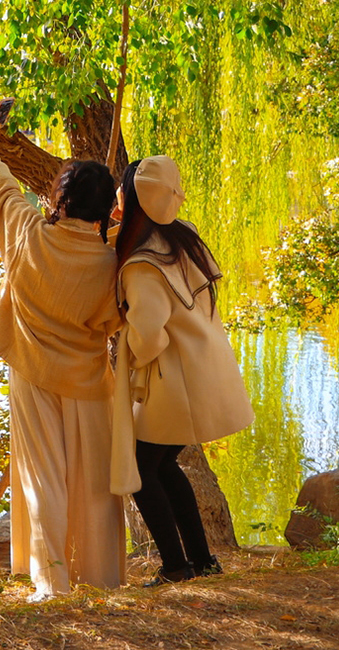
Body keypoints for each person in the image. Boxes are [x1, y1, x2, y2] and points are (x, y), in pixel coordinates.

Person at [0, 116, 126, 599]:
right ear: (106, 209)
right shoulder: (113, 262)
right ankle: (99, 578)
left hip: (33, 374)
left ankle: (51, 582)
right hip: (87, 380)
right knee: (95, 484)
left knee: (43, 479)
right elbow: (113, 321)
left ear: (59, 199)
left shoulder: (27, 233)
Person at [108, 156, 255, 586]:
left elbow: (150, 336)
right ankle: (201, 561)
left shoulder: (141, 263)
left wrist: (127, 353)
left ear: (134, 197)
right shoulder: (182, 235)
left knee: (141, 469)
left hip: (173, 382)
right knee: (162, 464)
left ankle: (177, 567)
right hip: (204, 365)